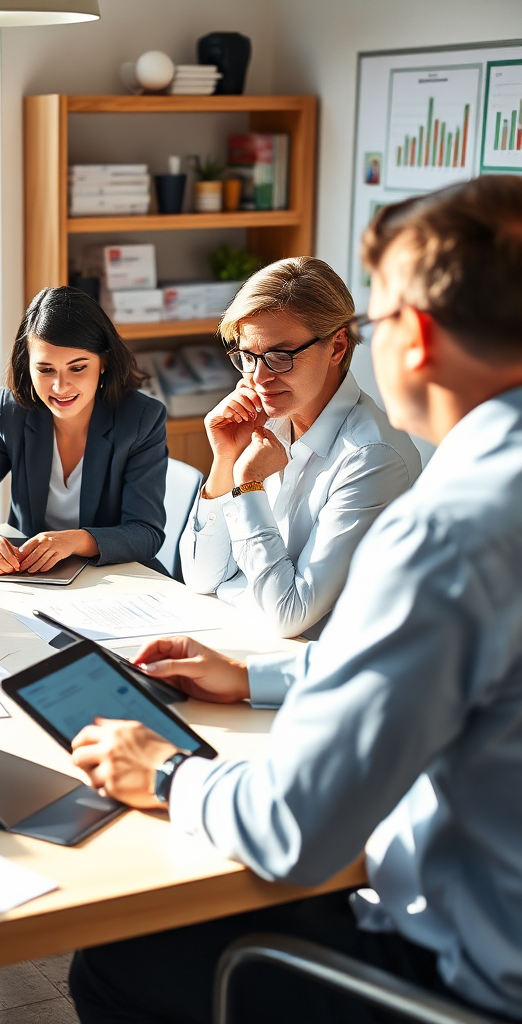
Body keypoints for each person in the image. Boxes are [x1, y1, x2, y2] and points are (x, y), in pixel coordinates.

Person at [68, 174, 522, 1023]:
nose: (261, 371)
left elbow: (297, 831)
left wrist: (164, 771)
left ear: (410, 336)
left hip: (463, 983)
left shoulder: (447, 528)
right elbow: (447, 664)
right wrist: (256, 680)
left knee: (117, 957)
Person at [180, 256, 420, 638]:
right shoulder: (262, 422)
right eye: (247, 357)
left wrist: (249, 482)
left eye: (279, 356)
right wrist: (225, 462)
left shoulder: (372, 457)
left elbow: (289, 616)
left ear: (337, 346)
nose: (258, 378)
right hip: (229, 630)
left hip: (303, 662)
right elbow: (200, 577)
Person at [0, 286, 168, 574]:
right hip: (34, 577)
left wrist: (74, 541)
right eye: (45, 370)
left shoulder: (141, 418)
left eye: (77, 368)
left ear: (103, 362)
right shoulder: (10, 411)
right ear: (27, 366)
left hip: (117, 576)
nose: (60, 387)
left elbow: (145, 533)